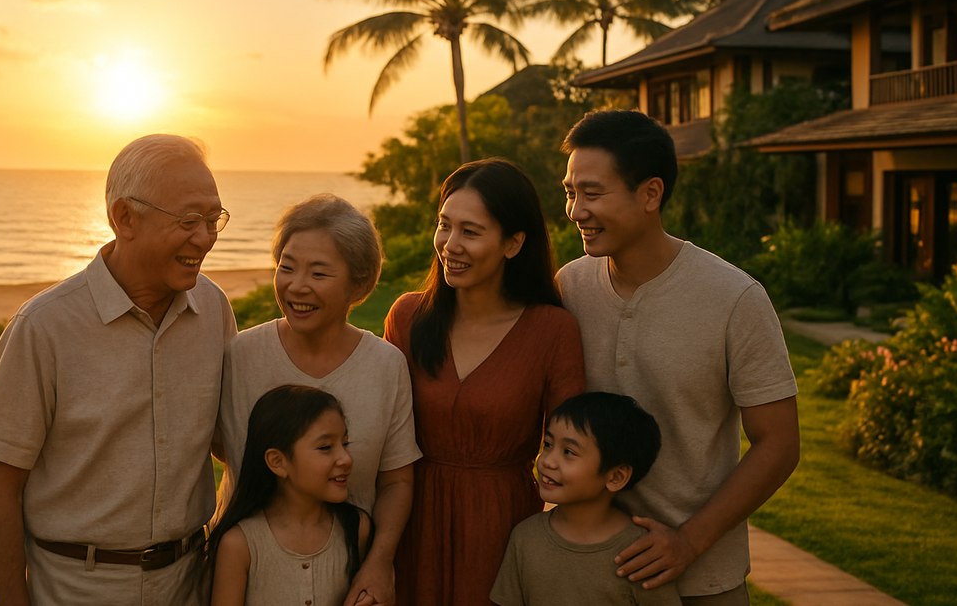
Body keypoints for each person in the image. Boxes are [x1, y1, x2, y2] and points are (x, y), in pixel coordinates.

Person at [0, 134, 236, 605]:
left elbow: (228, 440)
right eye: (189, 220)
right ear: (124, 218)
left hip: (190, 581)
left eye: (213, 219)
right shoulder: (43, 327)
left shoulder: (213, 308)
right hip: (76, 589)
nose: (205, 237)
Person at [557, 110, 800, 604]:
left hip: (702, 582)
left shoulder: (734, 298)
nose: (576, 210)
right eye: (570, 192)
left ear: (651, 194)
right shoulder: (569, 287)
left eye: (593, 193)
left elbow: (779, 444)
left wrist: (689, 542)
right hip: (585, 577)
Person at [384, 158, 587, 605]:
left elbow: (573, 449)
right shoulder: (407, 317)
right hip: (409, 522)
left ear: (513, 243)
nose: (450, 245)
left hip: (505, 528)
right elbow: (381, 438)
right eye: (444, 225)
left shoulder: (551, 330)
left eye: (470, 232)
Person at [217, 194, 420, 606]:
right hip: (248, 578)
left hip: (344, 578)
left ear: (359, 283)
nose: (296, 286)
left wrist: (379, 562)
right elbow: (217, 446)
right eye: (286, 267)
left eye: (319, 272)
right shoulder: (240, 355)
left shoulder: (385, 365)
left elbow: (397, 479)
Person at [490, 392, 681, 606]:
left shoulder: (642, 554)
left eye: (569, 452)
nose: (548, 461)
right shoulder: (525, 538)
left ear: (616, 477)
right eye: (548, 444)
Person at [209, 385, 374, 606]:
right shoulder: (240, 545)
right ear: (278, 462)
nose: (345, 458)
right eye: (326, 447)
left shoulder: (356, 528)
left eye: (345, 444)